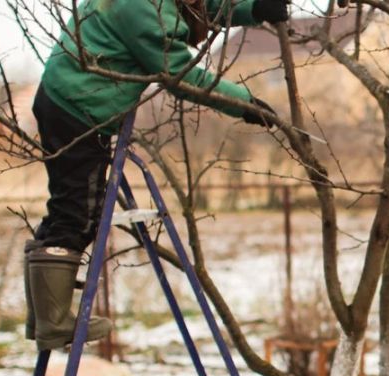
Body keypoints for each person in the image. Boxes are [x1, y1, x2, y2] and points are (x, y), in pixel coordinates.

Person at [25, 0, 287, 351]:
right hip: (78, 109)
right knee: (76, 214)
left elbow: (201, 6)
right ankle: (53, 323)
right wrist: (244, 104)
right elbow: (180, 75)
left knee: (67, 207)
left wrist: (254, 8)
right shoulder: (139, 7)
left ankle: (42, 316)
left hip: (71, 100)